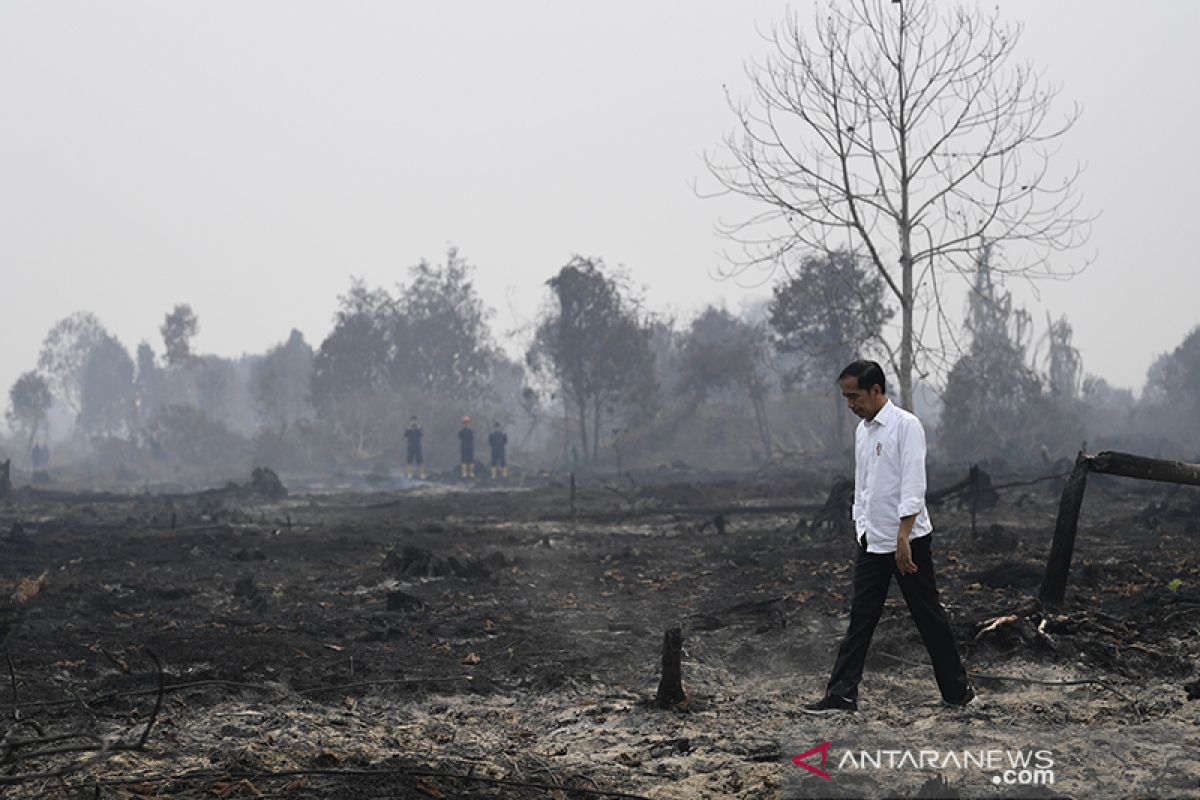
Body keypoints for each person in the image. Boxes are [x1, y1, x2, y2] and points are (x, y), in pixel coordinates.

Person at [803, 360, 974, 713]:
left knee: (928, 616)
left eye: (855, 396)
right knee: (860, 619)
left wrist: (904, 537)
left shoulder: (906, 426)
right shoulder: (863, 431)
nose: (851, 404)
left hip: (907, 542)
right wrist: (860, 528)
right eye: (846, 398)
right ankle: (841, 695)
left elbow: (913, 485)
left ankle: (958, 694)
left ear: (876, 390)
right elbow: (864, 486)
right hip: (871, 541)